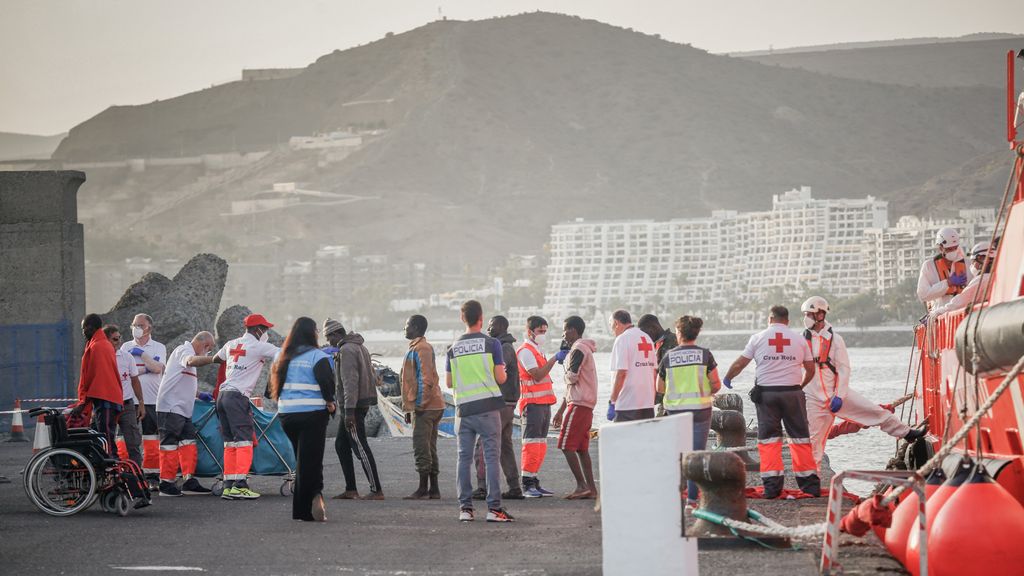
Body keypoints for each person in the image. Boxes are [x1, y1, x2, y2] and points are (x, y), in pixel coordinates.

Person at [800, 297, 925, 469]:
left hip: (837, 395)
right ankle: (811, 478)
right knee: (814, 440)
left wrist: (839, 396)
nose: (806, 317)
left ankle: (906, 432)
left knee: (875, 412)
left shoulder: (836, 340)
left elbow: (844, 370)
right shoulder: (802, 340)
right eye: (806, 314)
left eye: (809, 314)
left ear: (821, 315)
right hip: (813, 398)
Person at [722, 306, 820, 498]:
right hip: (792, 393)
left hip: (767, 395)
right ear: (787, 320)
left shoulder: (758, 338)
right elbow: (811, 369)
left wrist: (728, 377)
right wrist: (800, 385)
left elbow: (740, 363)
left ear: (770, 319)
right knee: (800, 438)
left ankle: (772, 487)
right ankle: (809, 486)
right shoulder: (799, 339)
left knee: (769, 440)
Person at [447, 300, 514, 522]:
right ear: (481, 318)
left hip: (463, 410)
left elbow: (449, 382)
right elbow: (501, 377)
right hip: (487, 409)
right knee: (492, 456)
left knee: (463, 459)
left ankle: (465, 509)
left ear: (462, 318)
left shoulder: (453, 348)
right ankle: (494, 509)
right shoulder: (492, 343)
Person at [269, 317, 336, 522]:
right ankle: (307, 507)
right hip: (312, 414)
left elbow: (270, 388)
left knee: (305, 460)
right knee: (310, 462)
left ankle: (312, 500)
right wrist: (330, 403)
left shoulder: (280, 356)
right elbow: (327, 384)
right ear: (312, 333)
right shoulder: (318, 356)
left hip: (287, 415)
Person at [207, 313, 280, 500]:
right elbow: (281, 355)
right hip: (238, 397)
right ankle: (241, 484)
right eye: (265, 330)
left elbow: (216, 358)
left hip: (223, 396)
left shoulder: (232, 344)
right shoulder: (259, 346)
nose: (267, 333)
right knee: (245, 440)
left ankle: (229, 484)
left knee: (230, 441)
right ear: (257, 330)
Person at [657, 316, 721, 506]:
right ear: (696, 333)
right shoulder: (705, 355)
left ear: (679, 333)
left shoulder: (668, 357)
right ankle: (692, 499)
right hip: (701, 411)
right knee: (696, 455)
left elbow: (659, 388)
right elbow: (716, 384)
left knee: (678, 454)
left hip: (676, 412)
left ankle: (675, 495)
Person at [323, 318, 384, 500]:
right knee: (341, 444)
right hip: (359, 403)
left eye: (328, 337)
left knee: (360, 447)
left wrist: (349, 412)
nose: (328, 342)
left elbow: (350, 383)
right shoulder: (360, 347)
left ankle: (376, 490)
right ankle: (351, 489)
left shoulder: (346, 350)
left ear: (336, 334)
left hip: (353, 406)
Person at [155, 331, 216, 497]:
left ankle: (188, 480)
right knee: (169, 444)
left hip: (183, 409)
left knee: (188, 442)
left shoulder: (188, 355)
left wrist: (199, 394)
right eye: (208, 350)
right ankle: (166, 483)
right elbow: (191, 361)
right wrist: (213, 359)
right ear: (206, 346)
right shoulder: (184, 350)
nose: (207, 353)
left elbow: (183, 381)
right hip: (171, 408)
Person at [472, 315, 524, 500]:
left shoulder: (503, 348)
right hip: (508, 404)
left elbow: (495, 374)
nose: (488, 328)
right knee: (505, 446)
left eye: (492, 326)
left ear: (501, 326)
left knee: (483, 444)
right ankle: (514, 487)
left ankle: (482, 487)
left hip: (501, 403)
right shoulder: (505, 347)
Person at [551, 315, 598, 499]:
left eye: (565, 330)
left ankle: (581, 485)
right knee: (581, 448)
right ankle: (591, 489)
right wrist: (562, 410)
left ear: (573, 330)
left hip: (578, 404)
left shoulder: (577, 349)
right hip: (585, 404)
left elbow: (571, 378)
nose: (563, 335)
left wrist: (564, 368)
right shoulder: (584, 349)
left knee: (565, 445)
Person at [400, 314, 444, 500]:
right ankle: (433, 489)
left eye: (407, 325)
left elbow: (426, 380)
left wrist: (419, 405)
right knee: (429, 447)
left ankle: (423, 488)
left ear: (416, 328)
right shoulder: (418, 347)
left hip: (427, 407)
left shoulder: (422, 348)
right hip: (430, 405)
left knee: (421, 447)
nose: (405, 328)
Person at [120, 313, 166, 486]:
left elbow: (157, 368)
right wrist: (145, 368)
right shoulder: (125, 347)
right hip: (129, 399)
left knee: (151, 440)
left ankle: (152, 476)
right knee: (124, 439)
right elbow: (121, 371)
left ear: (149, 328)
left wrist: (142, 355)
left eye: (140, 325)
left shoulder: (158, 347)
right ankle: (126, 472)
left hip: (152, 399)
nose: (136, 329)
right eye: (134, 325)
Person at [516, 315, 559, 498]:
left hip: (543, 403)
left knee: (540, 444)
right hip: (532, 404)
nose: (543, 335)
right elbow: (537, 375)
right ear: (530, 332)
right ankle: (527, 484)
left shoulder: (537, 350)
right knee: (531, 444)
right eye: (540, 331)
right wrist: (555, 358)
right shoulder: (525, 351)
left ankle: (534, 481)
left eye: (545, 331)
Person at [74, 313, 123, 459]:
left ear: (90, 327)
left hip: (105, 398)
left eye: (84, 329)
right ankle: (110, 467)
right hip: (107, 398)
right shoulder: (101, 344)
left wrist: (83, 403)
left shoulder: (98, 346)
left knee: (106, 438)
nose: (83, 333)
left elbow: (96, 378)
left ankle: (114, 468)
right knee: (103, 436)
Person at [104, 325, 145, 467]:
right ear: (106, 341)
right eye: (115, 339)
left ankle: (137, 475)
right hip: (107, 405)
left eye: (119, 338)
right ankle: (112, 476)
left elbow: (135, 380)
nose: (119, 342)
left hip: (126, 405)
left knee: (133, 442)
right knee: (107, 442)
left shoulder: (127, 357)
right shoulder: (101, 358)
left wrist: (140, 403)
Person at [607, 309, 658, 422]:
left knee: (623, 438)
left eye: (611, 325)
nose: (612, 331)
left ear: (616, 323)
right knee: (644, 438)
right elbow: (654, 373)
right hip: (648, 403)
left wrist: (612, 401)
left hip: (627, 404)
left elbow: (621, 373)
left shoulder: (622, 339)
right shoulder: (647, 338)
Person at [930, 241, 995, 316]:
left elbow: (960, 302)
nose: (972, 265)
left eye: (973, 262)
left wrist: (937, 312)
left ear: (980, 259)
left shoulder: (982, 280)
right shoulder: (996, 276)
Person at [917, 227, 972, 311]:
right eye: (949, 249)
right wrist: (947, 283)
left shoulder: (968, 264)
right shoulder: (929, 266)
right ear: (940, 247)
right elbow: (923, 294)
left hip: (963, 315)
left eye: (955, 248)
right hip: (940, 316)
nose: (953, 251)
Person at [638, 313, 678, 416]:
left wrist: (649, 402)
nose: (645, 336)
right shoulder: (658, 345)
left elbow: (668, 376)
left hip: (674, 400)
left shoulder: (672, 342)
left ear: (653, 327)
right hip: (665, 400)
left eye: (645, 332)